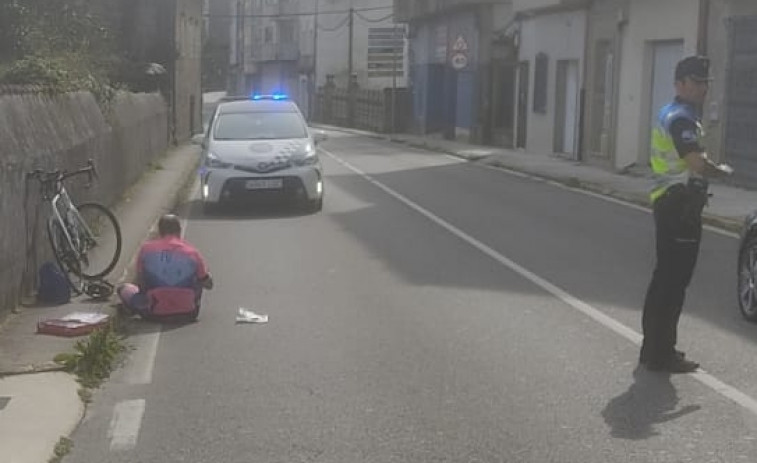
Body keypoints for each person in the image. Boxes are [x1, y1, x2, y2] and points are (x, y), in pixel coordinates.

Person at [639, 56, 733, 373]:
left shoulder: (677, 113)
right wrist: (721, 172)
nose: (702, 88)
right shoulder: (680, 118)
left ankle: (654, 349)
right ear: (679, 84)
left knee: (665, 277)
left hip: (670, 202)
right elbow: (694, 162)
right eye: (696, 82)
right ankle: (660, 353)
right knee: (673, 281)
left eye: (705, 82)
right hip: (677, 205)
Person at [118, 214, 213, 321]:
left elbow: (141, 282)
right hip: (188, 312)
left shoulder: (146, 249)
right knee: (200, 276)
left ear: (160, 231)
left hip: (153, 312)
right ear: (179, 230)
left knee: (123, 288)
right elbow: (209, 285)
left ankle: (135, 308)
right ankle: (187, 302)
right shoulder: (193, 252)